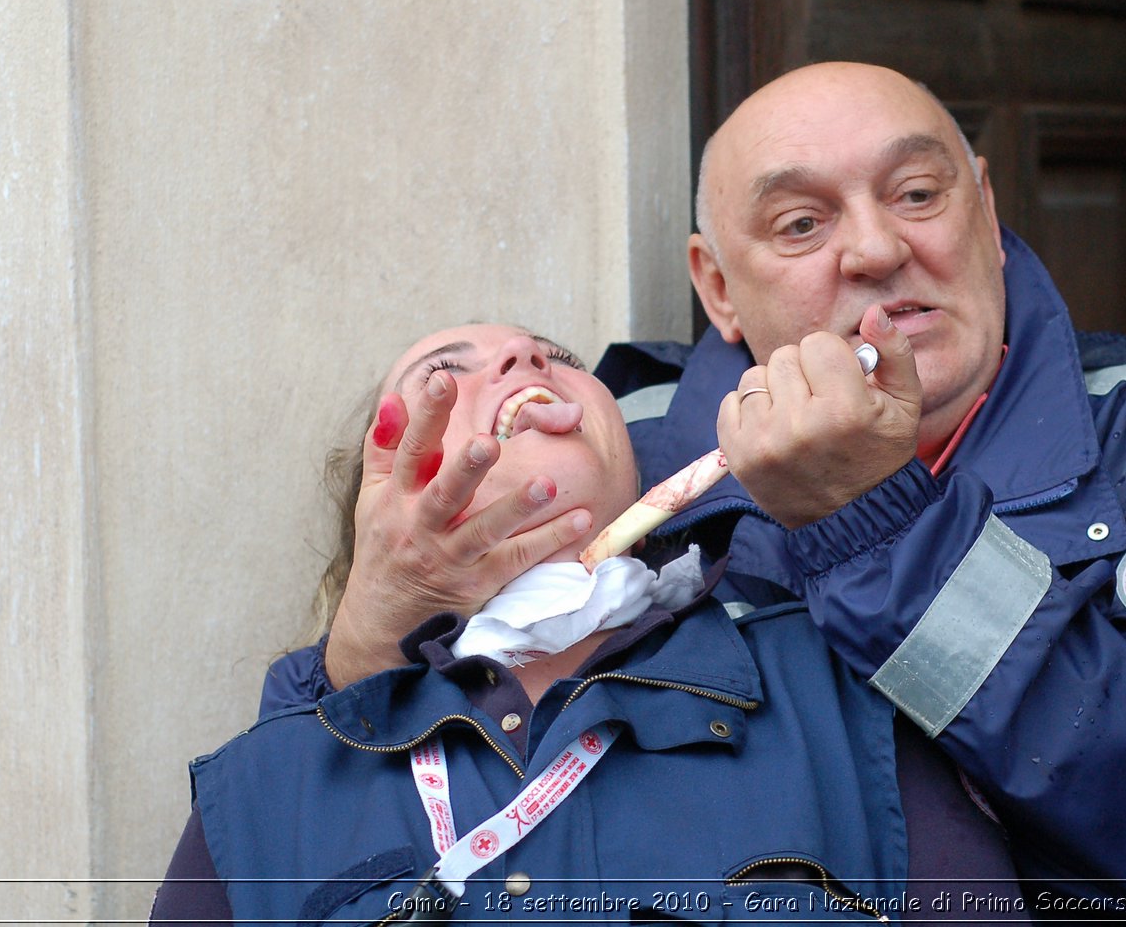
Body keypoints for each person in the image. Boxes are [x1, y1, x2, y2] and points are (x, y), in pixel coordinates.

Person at [268, 63, 1126, 921]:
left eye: (917, 194)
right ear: (717, 287)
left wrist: (874, 521)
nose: (878, 249)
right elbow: (341, 802)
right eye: (799, 225)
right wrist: (368, 626)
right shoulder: (619, 445)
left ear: (986, 208)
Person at [154, 323, 935, 925]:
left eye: (555, 354)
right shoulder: (266, 786)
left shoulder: (830, 683)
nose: (526, 360)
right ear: (378, 508)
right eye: (445, 375)